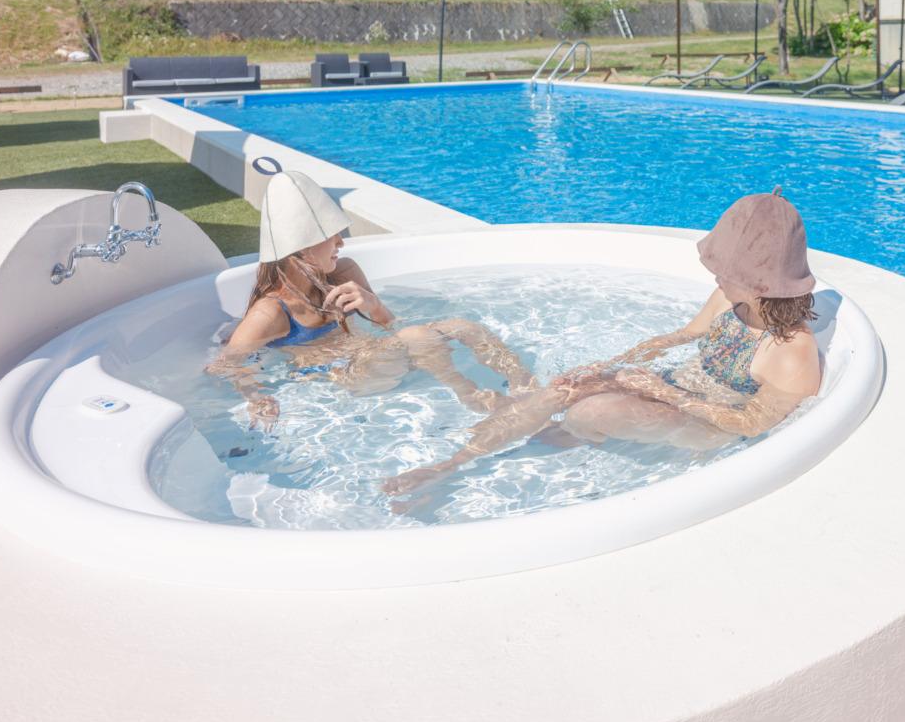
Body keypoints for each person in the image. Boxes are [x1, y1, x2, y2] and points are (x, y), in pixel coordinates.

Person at [382, 190, 822, 499]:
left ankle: (572, 432)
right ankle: (450, 465)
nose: (716, 276)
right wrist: (610, 366)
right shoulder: (729, 298)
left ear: (761, 284)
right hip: (674, 387)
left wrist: (662, 392)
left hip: (711, 424)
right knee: (565, 389)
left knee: (589, 411)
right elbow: (680, 337)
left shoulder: (790, 351)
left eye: (725, 270)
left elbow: (750, 424)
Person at [207, 170, 534, 426]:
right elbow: (222, 365)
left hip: (379, 356)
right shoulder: (271, 312)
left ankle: (526, 386)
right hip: (348, 378)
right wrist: (255, 396)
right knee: (415, 336)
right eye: (331, 235)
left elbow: (392, 326)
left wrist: (374, 306)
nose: (341, 243)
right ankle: (474, 398)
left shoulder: (344, 271)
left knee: (463, 326)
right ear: (303, 248)